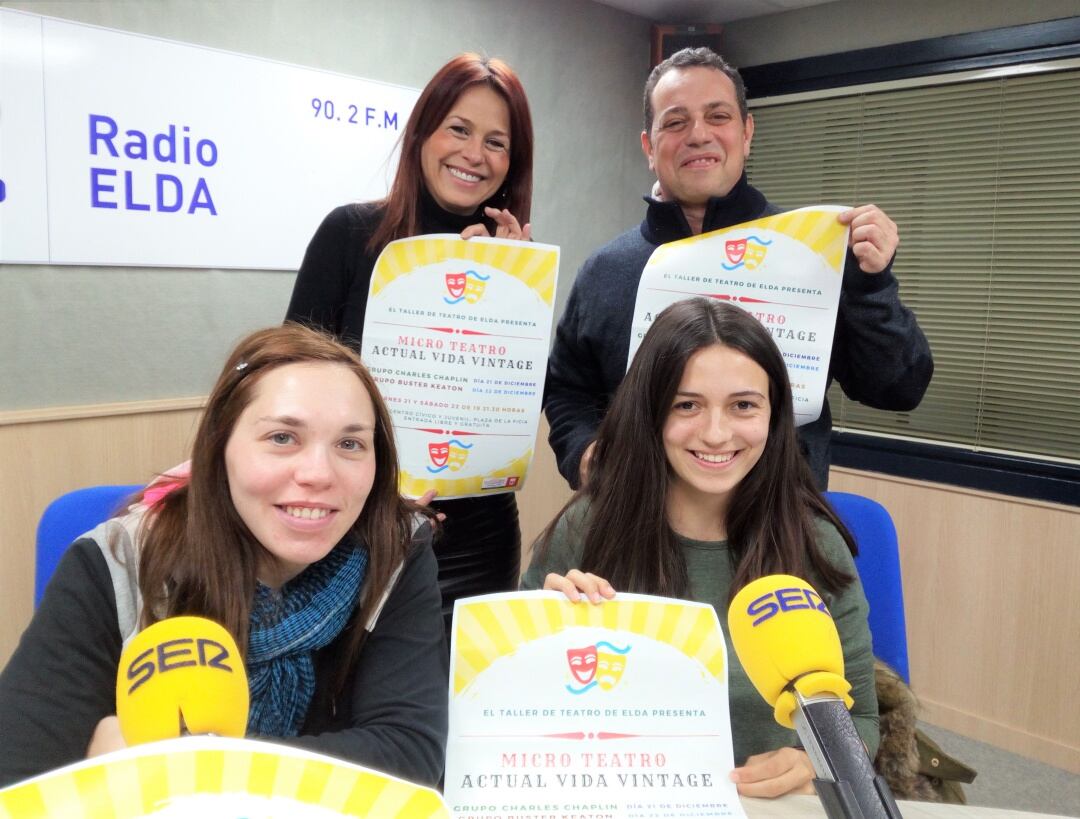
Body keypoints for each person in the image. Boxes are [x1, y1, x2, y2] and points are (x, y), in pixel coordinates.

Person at [0, 324, 447, 788]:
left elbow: (408, 755)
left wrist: (182, 767)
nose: (319, 473)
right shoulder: (118, 561)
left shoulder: (394, 546)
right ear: (220, 448)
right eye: (282, 438)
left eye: (350, 444)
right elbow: (19, 773)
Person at [522, 298, 878, 799]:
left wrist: (807, 762)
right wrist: (542, 631)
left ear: (774, 416)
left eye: (743, 405)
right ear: (650, 412)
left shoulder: (813, 543)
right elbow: (515, 702)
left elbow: (860, 717)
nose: (716, 434)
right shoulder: (588, 530)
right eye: (686, 405)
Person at [545, 47, 933, 491]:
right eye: (675, 122)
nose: (698, 135)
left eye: (718, 116)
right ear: (649, 147)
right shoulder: (605, 271)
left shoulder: (813, 256)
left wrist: (871, 286)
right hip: (637, 531)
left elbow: (899, 389)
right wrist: (584, 452)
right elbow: (566, 389)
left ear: (747, 133)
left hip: (779, 528)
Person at [286, 53, 534, 630]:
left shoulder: (515, 265)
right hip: (353, 523)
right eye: (459, 129)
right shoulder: (349, 234)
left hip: (478, 535)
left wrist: (510, 293)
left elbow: (516, 404)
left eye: (497, 142)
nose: (475, 154)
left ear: (511, 163)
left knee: (453, 707)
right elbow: (288, 385)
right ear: (422, 133)